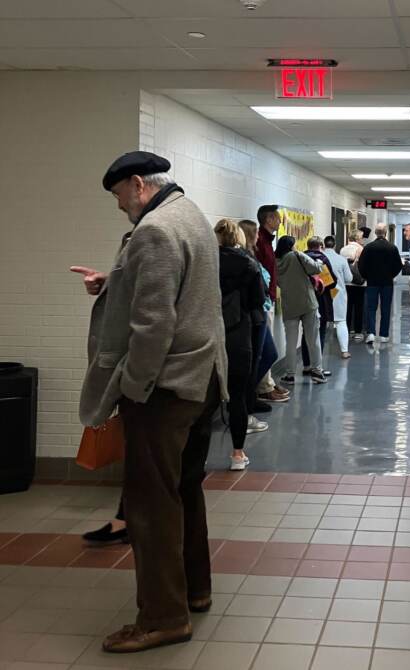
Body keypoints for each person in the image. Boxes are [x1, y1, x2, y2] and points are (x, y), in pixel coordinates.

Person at [72, 151, 227, 653]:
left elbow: (154, 325)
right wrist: (113, 283)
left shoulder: (155, 230)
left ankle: (162, 618)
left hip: (164, 389)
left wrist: (132, 388)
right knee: (184, 488)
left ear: (138, 184)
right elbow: (175, 288)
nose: (119, 207)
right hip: (202, 379)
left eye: (119, 196)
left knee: (149, 505)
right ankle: (194, 590)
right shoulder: (191, 214)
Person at [216, 220, 268, 471]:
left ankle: (197, 455)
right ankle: (237, 454)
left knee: (204, 398)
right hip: (239, 332)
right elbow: (258, 299)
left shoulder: (207, 262)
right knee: (238, 394)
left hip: (210, 334)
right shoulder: (249, 264)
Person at [238, 219, 278, 415]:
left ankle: (250, 396)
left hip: (260, 310)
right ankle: (247, 400)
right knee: (257, 357)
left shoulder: (251, 255)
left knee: (267, 354)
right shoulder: (244, 258)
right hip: (254, 314)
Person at [275, 235, 327, 385]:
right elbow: (316, 268)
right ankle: (317, 371)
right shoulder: (296, 255)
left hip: (289, 304)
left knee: (290, 342)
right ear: (291, 245)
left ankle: (290, 375)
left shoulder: (275, 261)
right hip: (307, 303)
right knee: (313, 339)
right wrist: (318, 261)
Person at [254, 205, 291, 404]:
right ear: (268, 219)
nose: (280, 221)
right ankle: (263, 387)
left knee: (269, 346)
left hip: (269, 297)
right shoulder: (260, 241)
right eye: (277, 218)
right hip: (263, 300)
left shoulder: (268, 242)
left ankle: (267, 383)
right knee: (265, 348)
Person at [357, 223, 403, 345]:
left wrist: (366, 276)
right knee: (385, 308)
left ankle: (371, 333)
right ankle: (384, 335)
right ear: (385, 233)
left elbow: (361, 265)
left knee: (371, 308)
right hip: (387, 283)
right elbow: (398, 265)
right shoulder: (392, 248)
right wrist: (390, 275)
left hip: (372, 282)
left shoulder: (368, 247)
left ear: (375, 233)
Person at [301, 236, 337, 376]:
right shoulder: (322, 260)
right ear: (320, 246)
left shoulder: (301, 258)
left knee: (306, 332)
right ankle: (318, 366)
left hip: (304, 299)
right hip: (321, 300)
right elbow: (331, 282)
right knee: (319, 333)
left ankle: (306, 365)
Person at [323, 235, 354, 359]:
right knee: (341, 321)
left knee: (320, 323)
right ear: (335, 245)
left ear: (324, 245)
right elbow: (349, 278)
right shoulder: (341, 259)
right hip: (338, 293)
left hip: (322, 294)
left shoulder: (320, 258)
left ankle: (318, 352)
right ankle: (344, 351)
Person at [340, 230, 365, 341]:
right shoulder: (360, 249)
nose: (362, 240)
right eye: (361, 237)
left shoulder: (343, 249)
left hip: (346, 282)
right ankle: (358, 331)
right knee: (359, 307)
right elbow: (363, 266)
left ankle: (348, 329)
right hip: (359, 283)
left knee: (348, 307)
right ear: (358, 238)